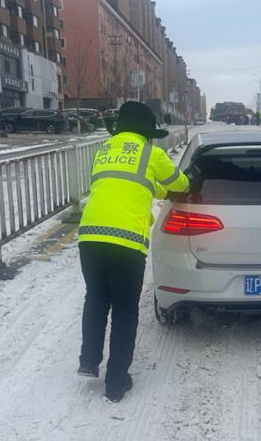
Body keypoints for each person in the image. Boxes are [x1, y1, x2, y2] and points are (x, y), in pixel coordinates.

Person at [77, 101, 194, 402]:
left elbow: (131, 184)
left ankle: (89, 362)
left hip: (90, 238)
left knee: (96, 298)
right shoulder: (152, 153)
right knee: (125, 311)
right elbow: (180, 184)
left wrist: (158, 189)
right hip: (126, 242)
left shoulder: (104, 150)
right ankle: (116, 382)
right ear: (146, 132)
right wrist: (187, 180)